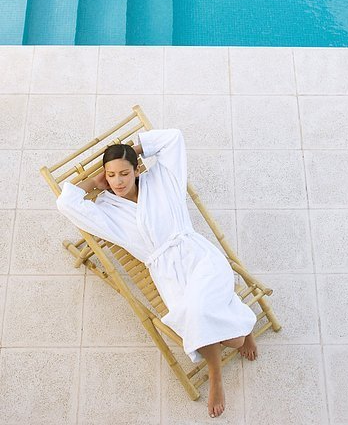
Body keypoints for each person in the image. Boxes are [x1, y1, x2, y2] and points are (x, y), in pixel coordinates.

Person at [56, 128, 258, 419]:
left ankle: (216, 372)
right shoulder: (105, 210)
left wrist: (133, 151)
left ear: (137, 169)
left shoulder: (162, 179)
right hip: (166, 274)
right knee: (194, 315)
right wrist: (92, 183)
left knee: (199, 310)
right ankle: (241, 328)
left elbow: (174, 138)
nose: (118, 182)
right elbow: (65, 203)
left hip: (199, 257)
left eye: (124, 173)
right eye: (110, 176)